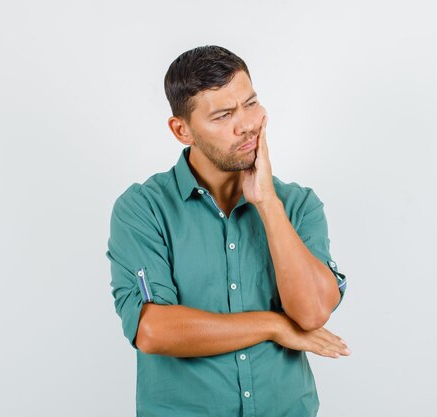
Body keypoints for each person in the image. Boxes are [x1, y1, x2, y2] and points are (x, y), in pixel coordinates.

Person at [105, 45, 349, 417]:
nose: (247, 124)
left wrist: (267, 204)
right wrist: (273, 325)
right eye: (223, 115)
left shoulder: (298, 204)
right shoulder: (143, 209)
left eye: (250, 104)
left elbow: (313, 313)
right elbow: (153, 330)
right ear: (181, 129)